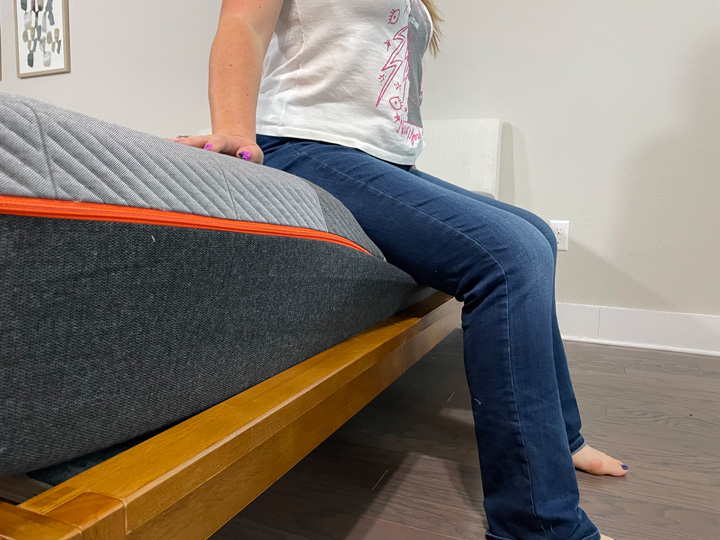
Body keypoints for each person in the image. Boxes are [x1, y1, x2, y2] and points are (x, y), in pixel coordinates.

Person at [176, 1, 627, 538]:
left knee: (533, 235)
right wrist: (236, 134)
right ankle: (540, 526)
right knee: (510, 257)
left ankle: (561, 438)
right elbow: (243, 23)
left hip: (378, 161)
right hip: (304, 145)